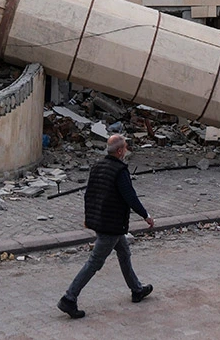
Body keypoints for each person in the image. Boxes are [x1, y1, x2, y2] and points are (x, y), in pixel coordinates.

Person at [58, 133, 154, 319]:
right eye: (125, 147)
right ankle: (69, 298)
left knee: (124, 253)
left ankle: (136, 290)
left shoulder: (98, 166)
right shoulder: (120, 171)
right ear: (119, 151)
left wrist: (89, 219)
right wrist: (146, 216)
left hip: (104, 221)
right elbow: (130, 197)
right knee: (94, 262)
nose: (126, 150)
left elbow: (89, 195)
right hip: (111, 225)